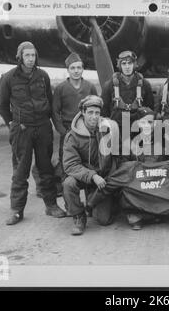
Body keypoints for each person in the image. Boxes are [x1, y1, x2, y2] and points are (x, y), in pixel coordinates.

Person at [0, 41, 66, 225]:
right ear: (20, 57)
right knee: (20, 171)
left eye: (33, 55)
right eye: (27, 55)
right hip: (22, 129)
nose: (30, 59)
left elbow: (50, 102)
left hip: (43, 127)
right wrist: (12, 123)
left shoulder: (43, 76)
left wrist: (54, 125)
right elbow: (2, 105)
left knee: (46, 169)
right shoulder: (9, 77)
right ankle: (17, 211)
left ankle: (51, 206)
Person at [62, 95, 118, 235]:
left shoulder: (107, 129)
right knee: (68, 183)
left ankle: (95, 200)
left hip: (103, 178)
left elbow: (118, 155)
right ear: (83, 112)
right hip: (85, 177)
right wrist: (92, 176)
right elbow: (70, 165)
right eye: (90, 113)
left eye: (97, 113)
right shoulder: (72, 136)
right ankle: (79, 215)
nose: (94, 117)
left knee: (104, 220)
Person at [52, 53, 98, 180]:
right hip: (68, 131)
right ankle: (70, 198)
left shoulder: (90, 87)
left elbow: (97, 109)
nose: (76, 71)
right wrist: (63, 132)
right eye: (72, 68)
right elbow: (55, 112)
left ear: (83, 69)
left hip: (87, 132)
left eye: (79, 67)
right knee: (67, 166)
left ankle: (91, 199)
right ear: (68, 70)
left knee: (90, 164)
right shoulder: (60, 88)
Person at [101, 50, 154, 131]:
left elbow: (150, 108)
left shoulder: (145, 84)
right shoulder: (109, 85)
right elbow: (104, 112)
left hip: (138, 129)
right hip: (117, 129)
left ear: (135, 64)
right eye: (124, 63)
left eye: (130, 63)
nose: (127, 67)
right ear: (119, 65)